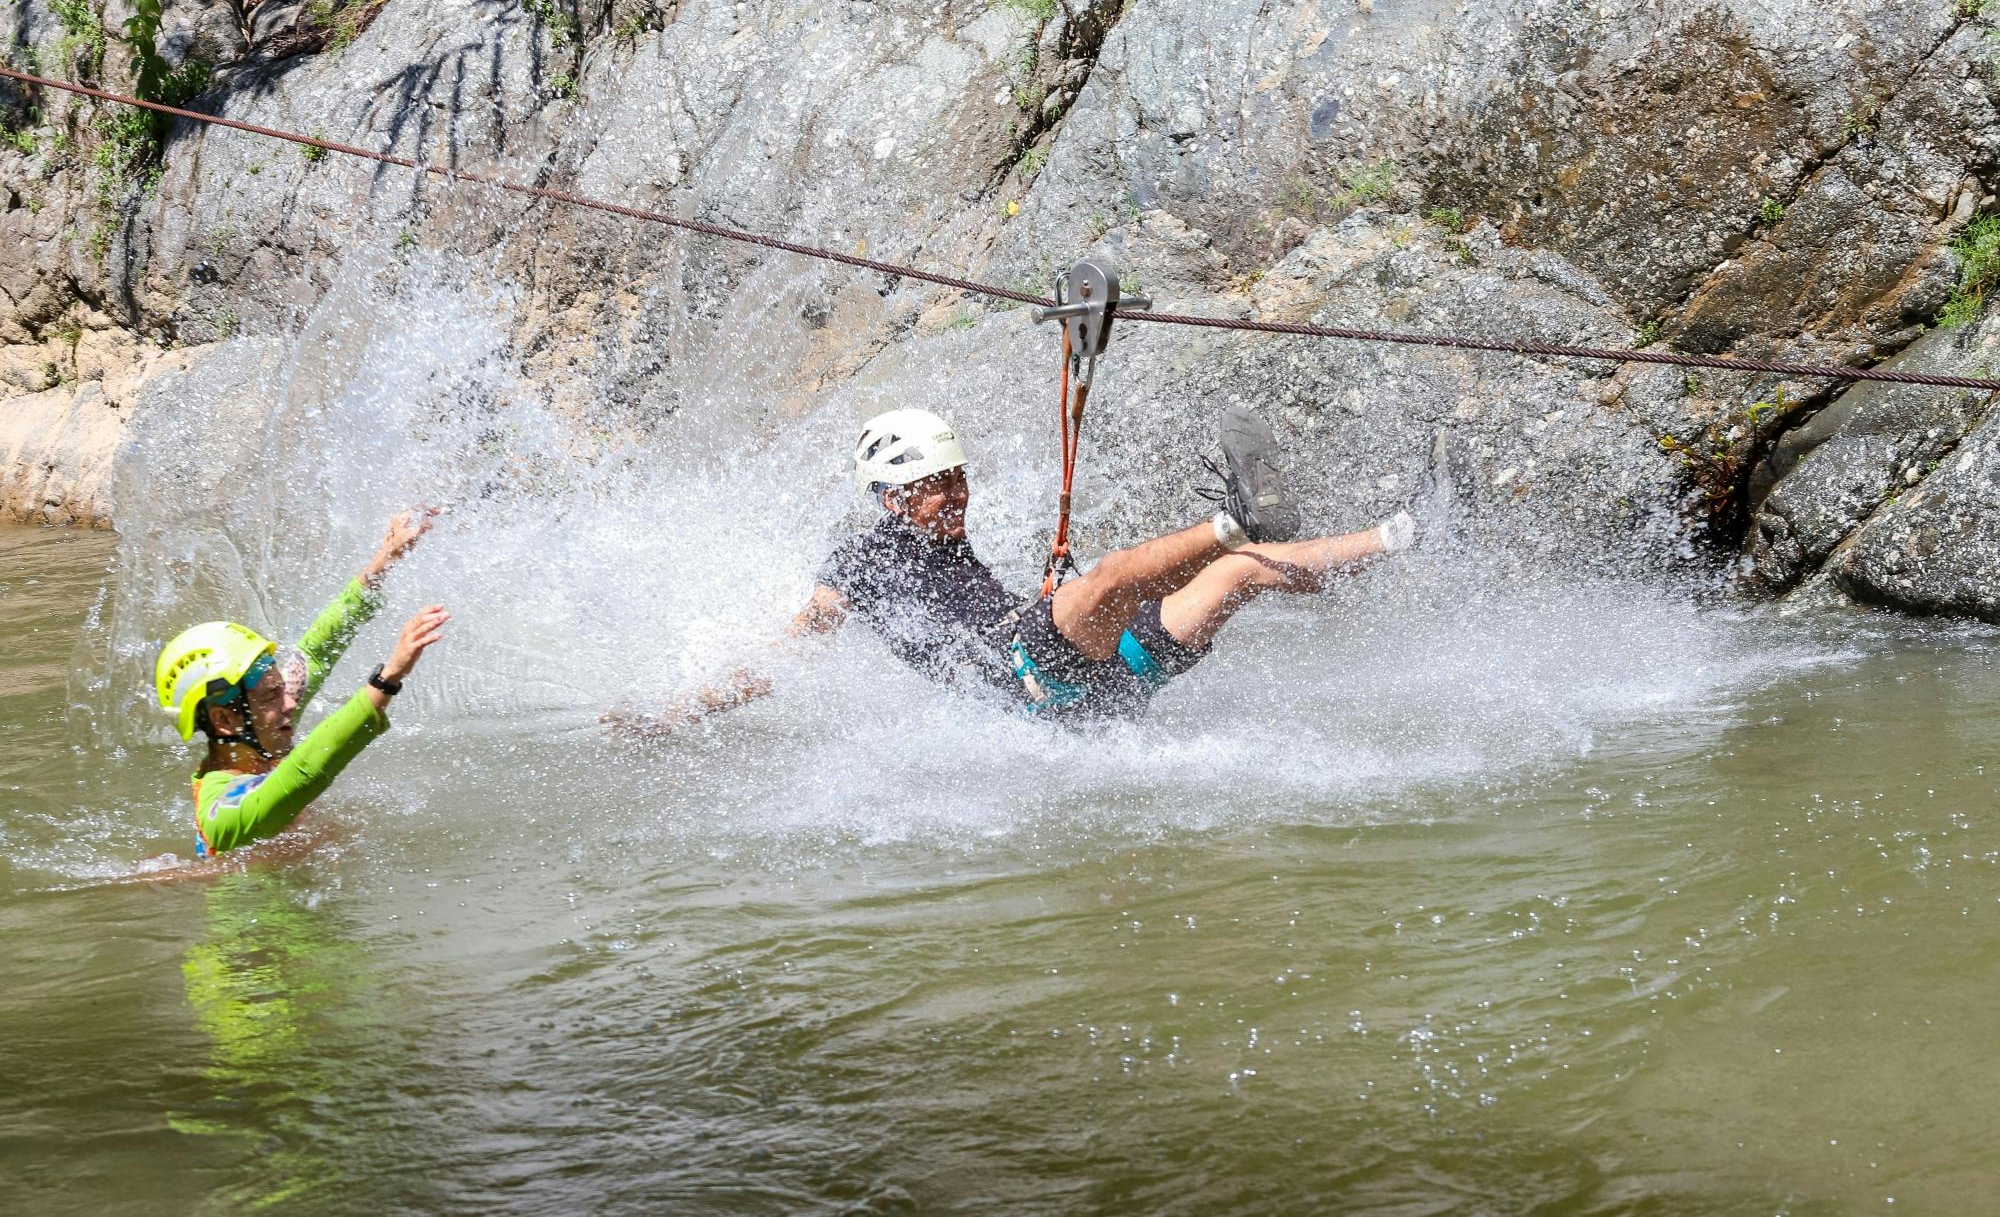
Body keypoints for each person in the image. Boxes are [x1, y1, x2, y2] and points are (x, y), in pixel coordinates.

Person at [607, 407, 1417, 732]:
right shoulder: (861, 561)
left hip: (1106, 688)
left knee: (1240, 575)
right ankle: (1233, 514)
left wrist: (1044, 594)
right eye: (933, 491)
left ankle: (1407, 534)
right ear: (891, 500)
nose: (953, 499)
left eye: (957, 482)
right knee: (1103, 581)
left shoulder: (951, 539)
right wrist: (682, 710)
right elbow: (792, 648)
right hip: (1028, 681)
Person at [153, 510, 450, 858]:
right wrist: (388, 678)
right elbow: (304, 772)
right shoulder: (221, 812)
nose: (290, 703)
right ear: (225, 720)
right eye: (271, 697)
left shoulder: (260, 730)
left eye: (282, 689)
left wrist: (385, 559)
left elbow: (317, 650)